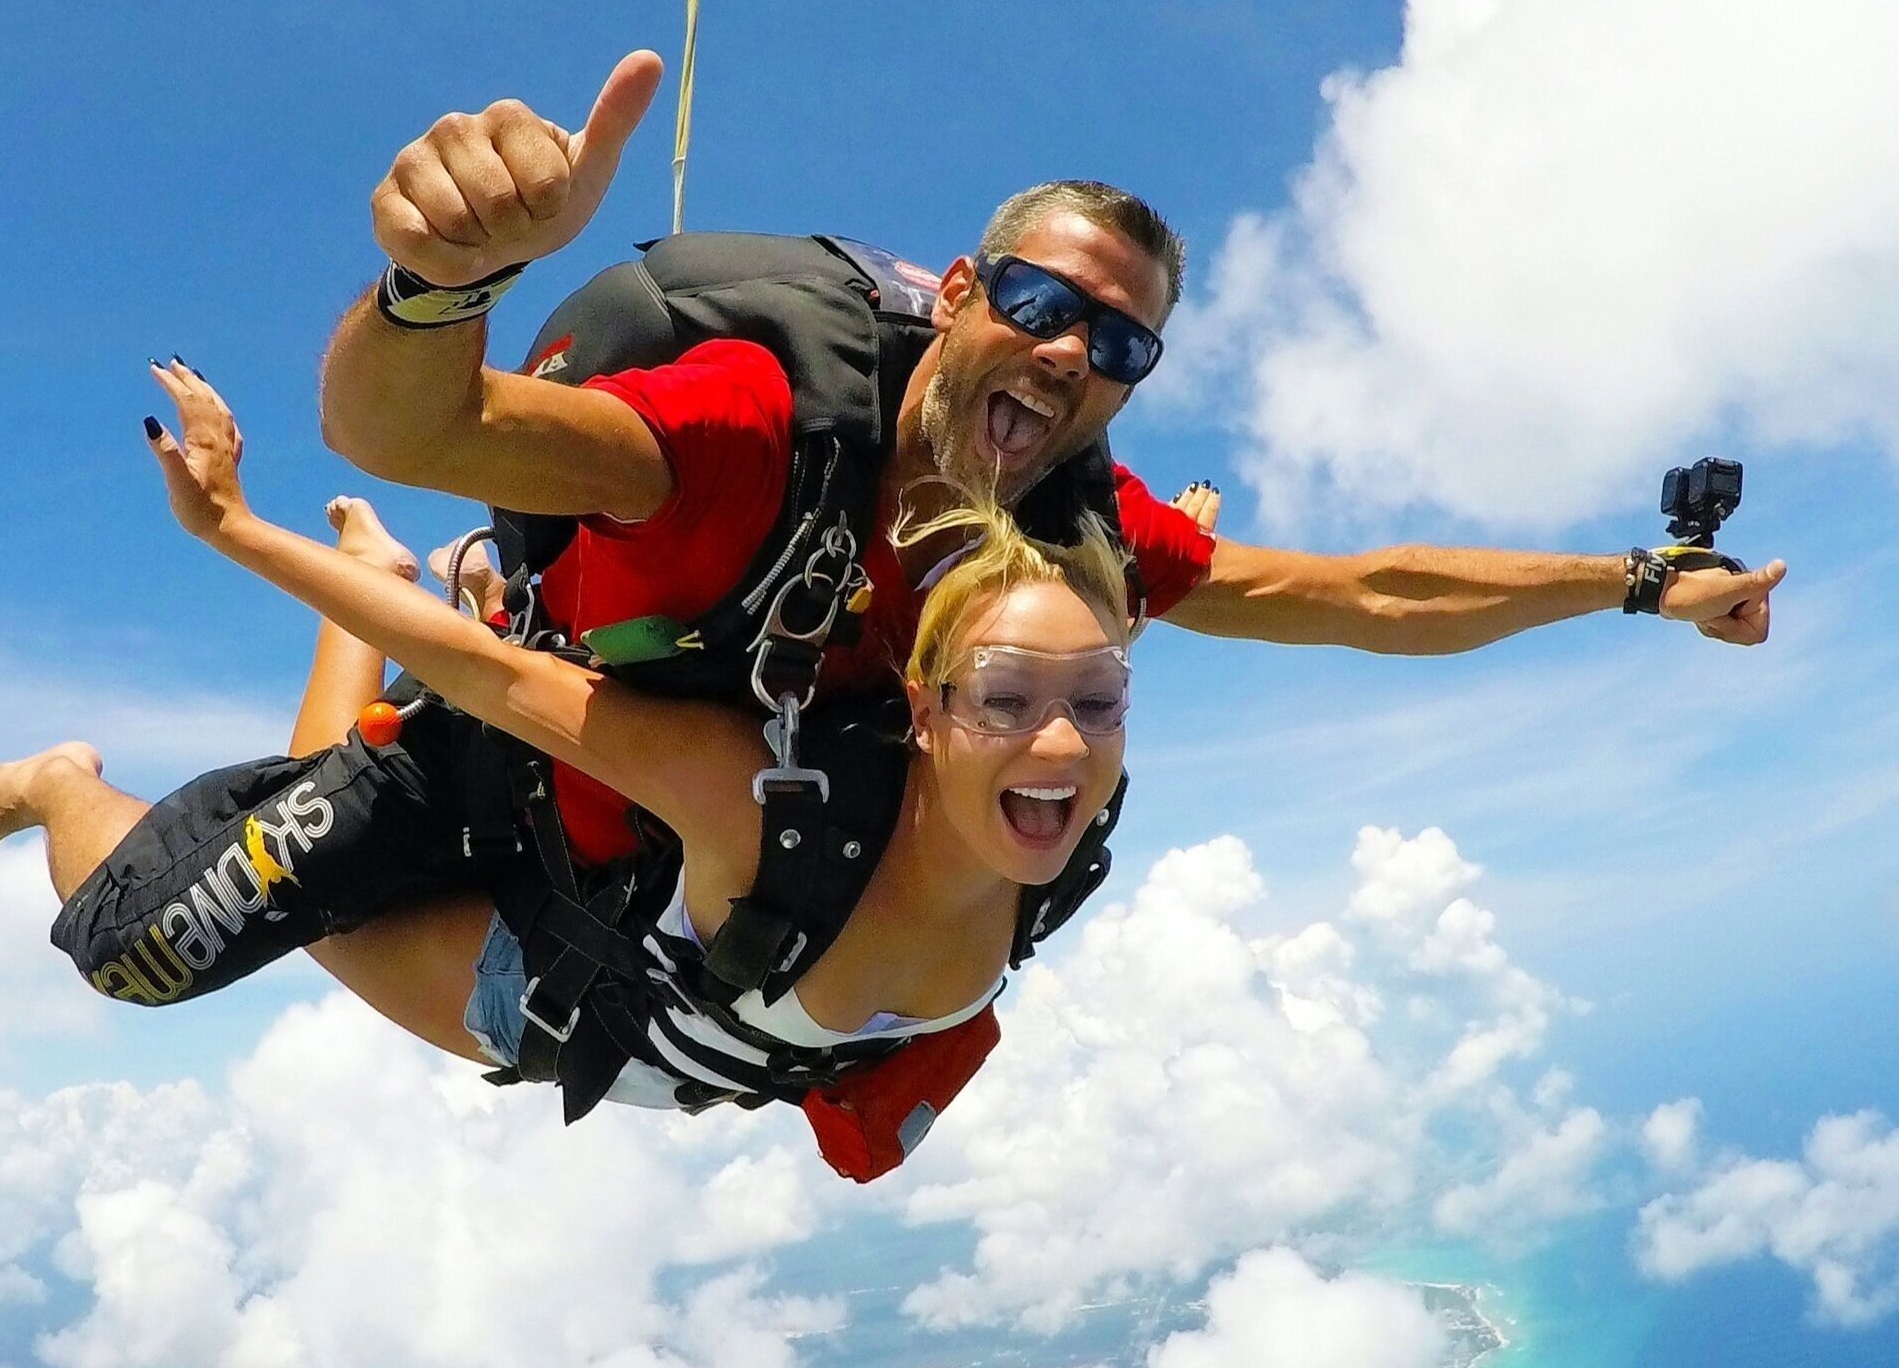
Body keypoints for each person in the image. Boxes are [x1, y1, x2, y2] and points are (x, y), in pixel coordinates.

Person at [318, 49, 1786, 873]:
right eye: (1039, 304)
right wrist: (442, 284)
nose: (1075, 353)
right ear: (956, 296)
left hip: (693, 854)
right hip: (547, 770)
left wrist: (1640, 579)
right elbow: (417, 428)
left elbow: (1367, 592)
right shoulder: (749, 422)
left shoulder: (1081, 526)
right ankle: (332, 620)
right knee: (191, 913)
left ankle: (400, 584)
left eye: (1121, 347)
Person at [0, 364, 1142, 1139]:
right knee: (143, 956)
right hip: (546, 986)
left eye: (1098, 700)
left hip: (699, 1032)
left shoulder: (1073, 818)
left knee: (316, 823)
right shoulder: (763, 811)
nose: (1058, 739)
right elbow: (488, 674)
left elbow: (1193, 611)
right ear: (923, 713)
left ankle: (372, 576)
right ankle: (58, 782)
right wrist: (237, 530)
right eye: (1005, 697)